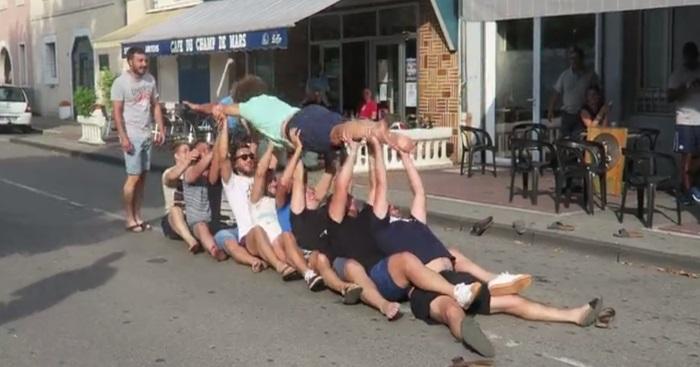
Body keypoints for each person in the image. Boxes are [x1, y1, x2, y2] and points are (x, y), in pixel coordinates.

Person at [368, 146, 606, 357]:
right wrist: (378, 146)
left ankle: (573, 315)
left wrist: (406, 156)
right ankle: (469, 335)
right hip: (423, 286)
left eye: (391, 204)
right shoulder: (380, 228)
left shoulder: (415, 222)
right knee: (450, 310)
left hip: (453, 276)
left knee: (512, 301)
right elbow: (380, 185)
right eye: (386, 204)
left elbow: (419, 192)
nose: (391, 204)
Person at [324, 136, 482, 321]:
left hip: (391, 272)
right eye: (347, 199)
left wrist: (375, 147)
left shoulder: (366, 214)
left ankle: (477, 288)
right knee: (399, 260)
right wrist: (353, 150)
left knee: (436, 258)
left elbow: (378, 184)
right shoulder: (336, 222)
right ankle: (456, 293)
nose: (352, 199)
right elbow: (341, 187)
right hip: (373, 275)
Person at [211, 75, 415, 155]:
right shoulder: (268, 100)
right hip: (309, 112)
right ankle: (373, 128)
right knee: (345, 125)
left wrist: (218, 109)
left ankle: (375, 130)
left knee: (336, 133)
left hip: (296, 127)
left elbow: (226, 108)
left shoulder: (250, 108)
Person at [288, 140, 364, 304]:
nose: (311, 192)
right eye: (307, 191)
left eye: (312, 191)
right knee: (320, 258)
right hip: (310, 255)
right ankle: (343, 287)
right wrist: (298, 147)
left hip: (331, 250)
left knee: (326, 255)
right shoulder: (299, 213)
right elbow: (299, 179)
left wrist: (342, 151)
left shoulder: (325, 211)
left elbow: (342, 185)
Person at [249, 140, 325, 291]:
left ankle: (304, 270)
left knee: (285, 237)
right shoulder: (257, 200)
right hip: (262, 244)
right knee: (261, 231)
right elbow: (261, 173)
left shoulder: (280, 202)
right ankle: (286, 267)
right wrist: (272, 143)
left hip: (283, 244)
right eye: (270, 181)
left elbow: (295, 181)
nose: (273, 183)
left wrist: (297, 152)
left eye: (275, 181)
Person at [111, 46, 165, 232]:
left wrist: (160, 129)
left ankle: (138, 216)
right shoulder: (121, 83)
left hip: (146, 133)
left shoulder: (150, 80)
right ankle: (129, 218)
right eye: (140, 61)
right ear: (130, 61)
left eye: (145, 61)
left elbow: (155, 106)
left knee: (142, 178)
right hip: (132, 136)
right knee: (133, 177)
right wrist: (123, 136)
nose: (144, 64)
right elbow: (117, 112)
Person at [182, 140, 228, 261]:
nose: (206, 152)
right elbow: (195, 173)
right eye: (202, 151)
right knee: (202, 227)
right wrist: (214, 151)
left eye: (207, 149)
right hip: (197, 221)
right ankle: (214, 250)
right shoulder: (189, 171)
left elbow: (215, 172)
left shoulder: (212, 172)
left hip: (215, 221)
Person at [668, 41, 700, 204]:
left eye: (694, 56)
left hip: (699, 119)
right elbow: (669, 96)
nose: (692, 60)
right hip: (685, 121)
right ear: (684, 57)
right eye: (689, 56)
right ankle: (686, 191)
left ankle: (693, 186)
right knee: (686, 156)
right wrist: (686, 86)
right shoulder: (678, 74)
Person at [548, 46, 600, 139]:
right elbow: (556, 92)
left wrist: (598, 110)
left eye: (576, 58)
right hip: (567, 114)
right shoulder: (565, 75)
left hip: (583, 114)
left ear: (581, 59)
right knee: (565, 140)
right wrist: (551, 110)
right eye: (571, 58)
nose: (574, 61)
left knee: (578, 140)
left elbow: (597, 93)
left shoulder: (590, 75)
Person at [160, 140, 201, 253]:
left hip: (193, 216)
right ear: (176, 155)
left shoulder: (195, 172)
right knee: (175, 210)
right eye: (185, 151)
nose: (188, 154)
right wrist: (188, 161)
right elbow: (172, 177)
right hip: (173, 219)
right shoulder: (169, 172)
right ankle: (191, 240)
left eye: (189, 151)